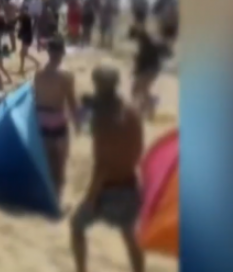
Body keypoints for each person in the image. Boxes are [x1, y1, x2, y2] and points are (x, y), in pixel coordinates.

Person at [70, 65, 144, 272]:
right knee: (130, 235)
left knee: (77, 225)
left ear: (98, 85)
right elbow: (138, 149)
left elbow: (102, 165)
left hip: (108, 189)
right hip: (130, 183)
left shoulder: (103, 121)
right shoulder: (132, 112)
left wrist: (91, 197)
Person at [33, 36, 79, 202]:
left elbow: (35, 97)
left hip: (41, 118)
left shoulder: (38, 73)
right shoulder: (66, 74)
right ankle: (56, 200)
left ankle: (43, 196)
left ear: (48, 51)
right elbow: (71, 101)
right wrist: (77, 122)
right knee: (60, 163)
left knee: (46, 161)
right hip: (58, 119)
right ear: (62, 52)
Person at [129, 22, 170, 120]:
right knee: (140, 90)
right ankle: (145, 107)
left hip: (148, 69)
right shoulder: (150, 40)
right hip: (153, 68)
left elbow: (142, 59)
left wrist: (136, 69)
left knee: (138, 90)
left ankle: (149, 105)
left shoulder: (146, 43)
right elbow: (166, 52)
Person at [17, 5, 40, 74]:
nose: (20, 11)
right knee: (24, 54)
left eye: (22, 10)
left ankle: (22, 68)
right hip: (26, 37)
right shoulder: (24, 17)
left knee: (22, 53)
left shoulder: (26, 17)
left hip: (27, 37)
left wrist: (20, 34)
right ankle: (36, 62)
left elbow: (24, 27)